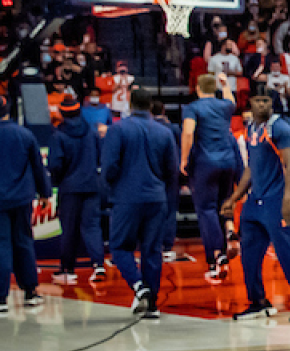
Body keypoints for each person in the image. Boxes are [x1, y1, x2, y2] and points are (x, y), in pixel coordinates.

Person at [226, 93, 290, 321]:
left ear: (273, 105)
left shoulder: (279, 128)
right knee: (249, 256)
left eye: (266, 101)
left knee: (288, 255)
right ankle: (258, 302)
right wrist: (234, 198)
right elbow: (251, 168)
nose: (261, 104)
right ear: (250, 102)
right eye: (258, 99)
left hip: (278, 200)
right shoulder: (251, 128)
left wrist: (287, 199)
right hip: (256, 201)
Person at [101, 89, 182, 318]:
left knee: (119, 246)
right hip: (156, 197)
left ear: (130, 103)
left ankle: (139, 286)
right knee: (152, 250)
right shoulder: (164, 132)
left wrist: (112, 186)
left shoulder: (117, 129)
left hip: (127, 196)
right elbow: (171, 169)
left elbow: (109, 167)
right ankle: (152, 304)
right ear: (151, 105)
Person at [180, 73, 243, 279]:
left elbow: (188, 132)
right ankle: (229, 229)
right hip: (228, 160)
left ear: (197, 88)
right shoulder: (224, 106)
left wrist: (183, 159)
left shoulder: (193, 108)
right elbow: (231, 101)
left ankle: (216, 255)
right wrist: (225, 84)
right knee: (224, 203)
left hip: (206, 163)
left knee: (206, 210)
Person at [0, 94, 50, 313]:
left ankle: (1, 298)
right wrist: (45, 193)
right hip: (22, 198)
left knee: (1, 245)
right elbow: (38, 167)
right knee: (23, 242)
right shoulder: (25, 134)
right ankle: (30, 291)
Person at [46, 101, 105, 284]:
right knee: (92, 226)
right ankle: (98, 264)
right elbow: (100, 156)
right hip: (91, 185)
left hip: (70, 187)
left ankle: (67, 268)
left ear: (62, 114)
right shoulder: (91, 132)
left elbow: (55, 164)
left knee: (69, 229)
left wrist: (57, 180)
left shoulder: (58, 136)